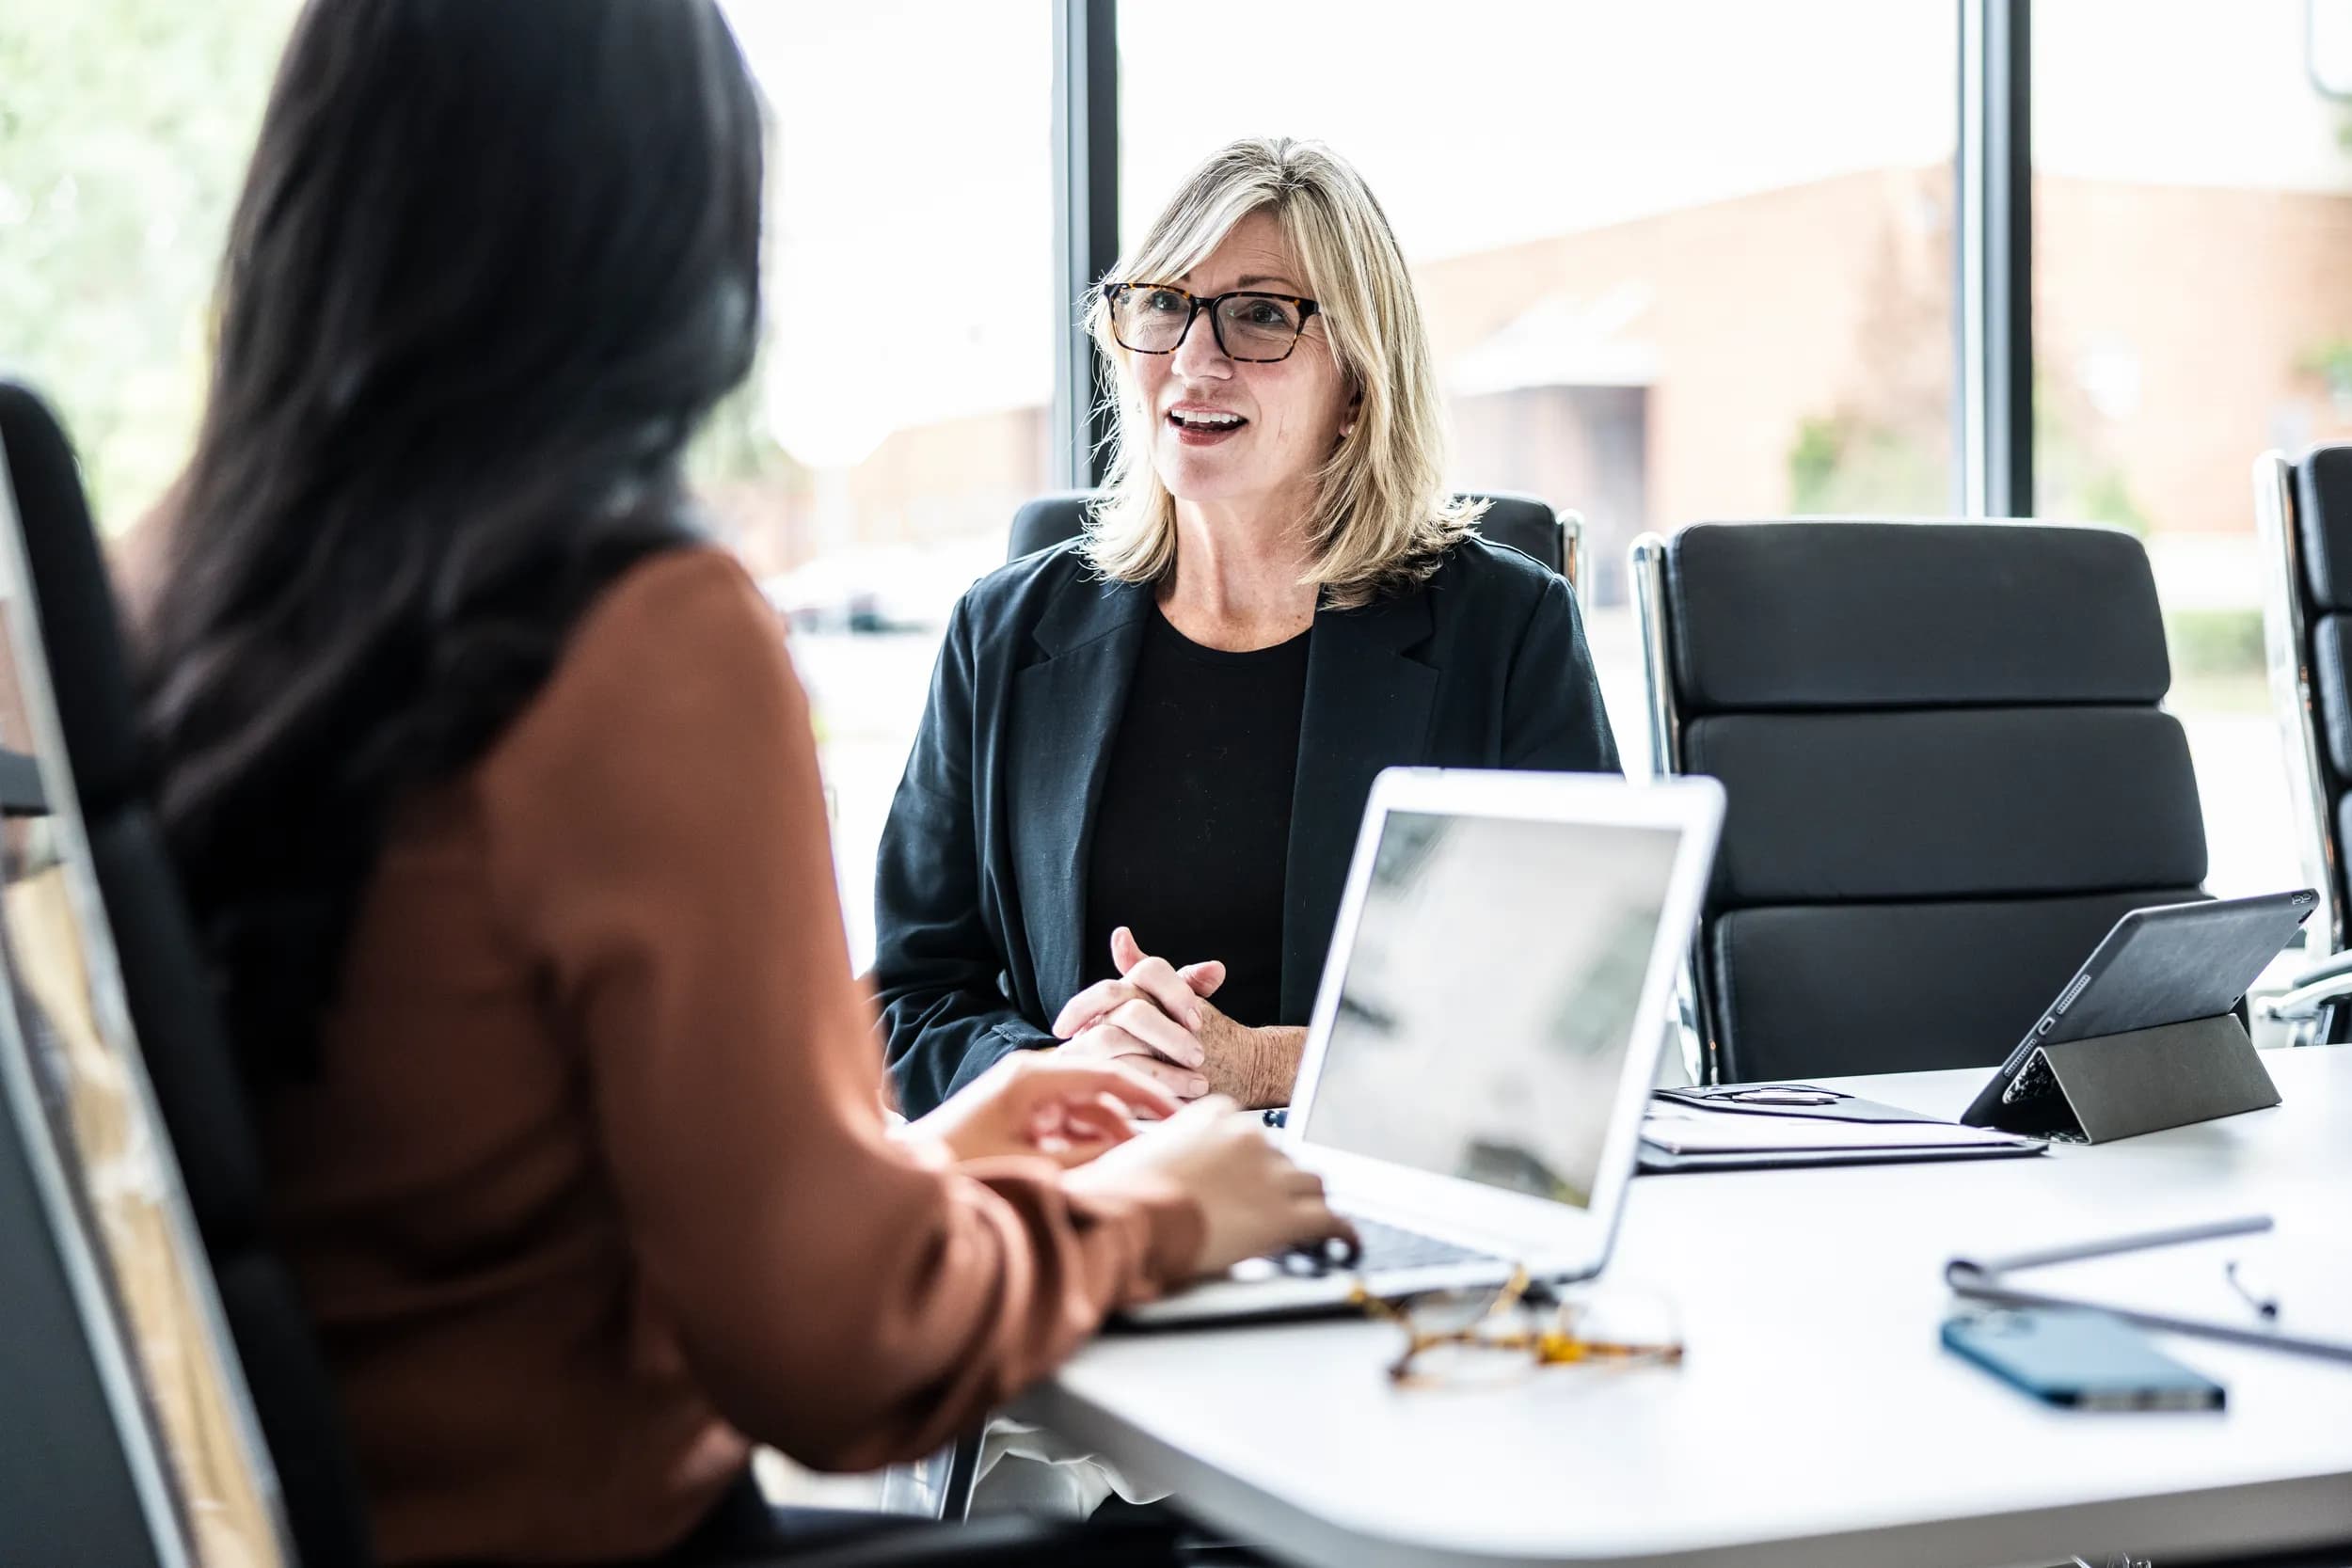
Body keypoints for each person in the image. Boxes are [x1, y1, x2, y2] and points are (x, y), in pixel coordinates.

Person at [130, 4, 1344, 1563]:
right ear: (669, 227)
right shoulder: (641, 635)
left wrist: (936, 1157)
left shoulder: (163, 607)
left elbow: (481, 1207)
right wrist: (1174, 1209)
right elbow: (843, 1362)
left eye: (1258, 317)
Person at [875, 136, 1620, 1119]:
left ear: (1357, 387)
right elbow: (906, 998)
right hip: (1097, 1203)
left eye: (1261, 315)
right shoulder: (1003, 634)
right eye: (1163, 306)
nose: (1194, 358)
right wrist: (1064, 1076)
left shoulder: (1505, 628)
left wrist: (1261, 1067)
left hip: (1375, 1203)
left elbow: (1581, 1015)